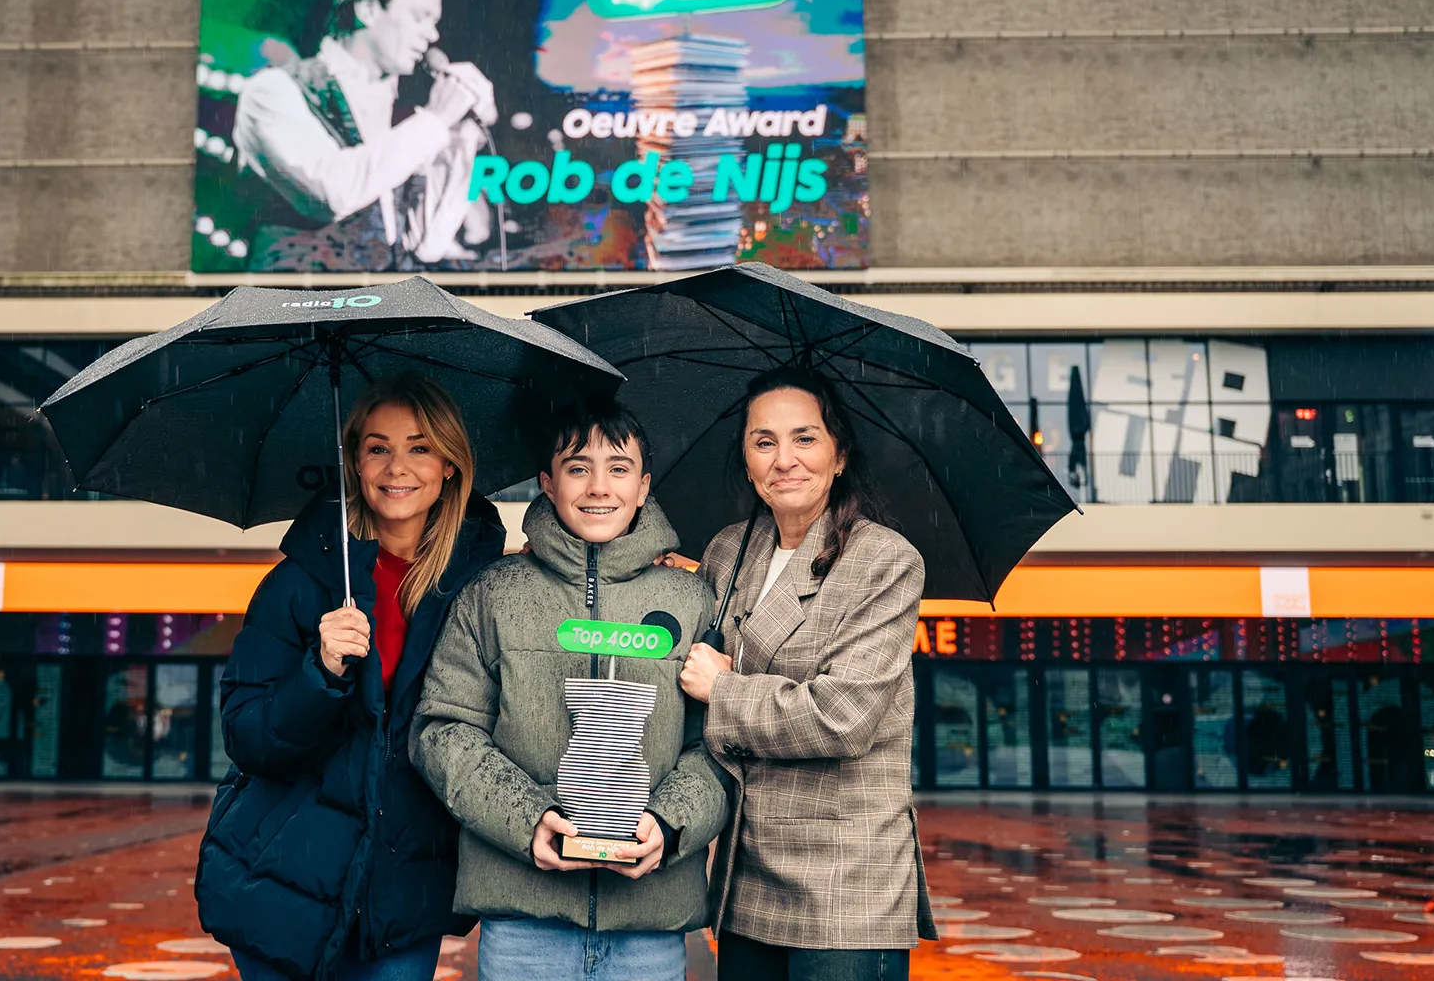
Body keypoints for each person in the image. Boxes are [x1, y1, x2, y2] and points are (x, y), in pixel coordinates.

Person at [195, 374, 506, 981]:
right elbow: (247, 737)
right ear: (354, 462)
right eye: (377, 447)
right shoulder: (300, 581)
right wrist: (321, 671)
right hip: (282, 879)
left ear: (449, 465)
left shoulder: (481, 587)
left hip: (402, 891)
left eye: (420, 447)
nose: (398, 467)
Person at [411, 401, 729, 981]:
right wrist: (528, 819)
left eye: (618, 468)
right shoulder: (493, 595)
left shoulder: (693, 600)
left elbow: (717, 747)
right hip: (522, 926)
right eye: (578, 467)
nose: (599, 487)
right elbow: (442, 732)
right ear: (547, 483)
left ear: (644, 486)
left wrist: (671, 823)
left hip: (648, 928)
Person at [677, 365, 937, 980]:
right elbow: (683, 668)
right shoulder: (725, 551)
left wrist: (727, 689)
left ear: (839, 453)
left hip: (848, 879)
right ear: (746, 460)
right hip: (747, 869)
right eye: (764, 442)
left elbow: (842, 718)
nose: (784, 459)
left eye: (805, 438)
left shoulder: (885, 561)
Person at [232, 0, 498, 271]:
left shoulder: (405, 116)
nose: (432, 36)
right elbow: (334, 193)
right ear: (368, 9)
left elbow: (429, 245)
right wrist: (436, 119)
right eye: (420, 17)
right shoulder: (273, 91)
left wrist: (461, 134)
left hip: (384, 312)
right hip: (299, 311)